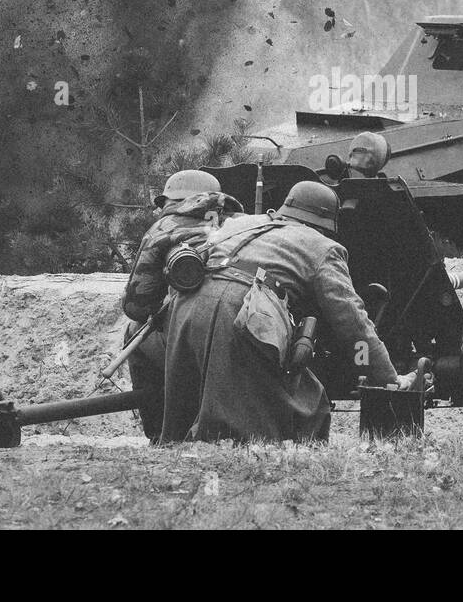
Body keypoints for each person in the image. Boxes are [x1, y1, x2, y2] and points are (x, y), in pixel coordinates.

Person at [153, 180, 411, 442]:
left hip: (187, 305)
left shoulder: (238, 224)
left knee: (186, 403)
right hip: (244, 310)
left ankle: (175, 445)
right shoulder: (323, 247)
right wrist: (383, 377)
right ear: (325, 222)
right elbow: (352, 325)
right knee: (309, 404)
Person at [120, 169, 244, 439]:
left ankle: (160, 434)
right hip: (247, 330)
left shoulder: (163, 230)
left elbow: (136, 306)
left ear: (170, 201)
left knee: (134, 332)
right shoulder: (245, 223)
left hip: (193, 335)